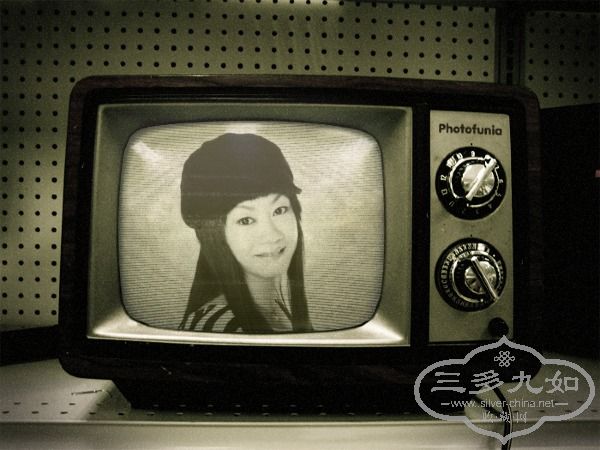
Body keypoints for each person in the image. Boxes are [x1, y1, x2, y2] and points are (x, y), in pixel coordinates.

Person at [178, 133, 312, 333]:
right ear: (214, 233)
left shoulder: (276, 310)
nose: (271, 234)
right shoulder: (220, 326)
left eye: (279, 210)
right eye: (246, 220)